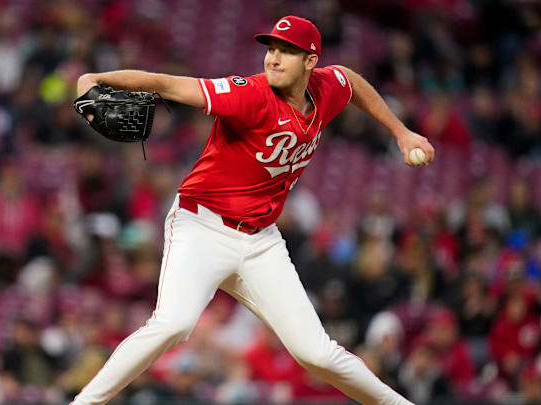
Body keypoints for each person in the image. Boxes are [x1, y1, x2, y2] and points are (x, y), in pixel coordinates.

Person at [72, 16, 435, 405]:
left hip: (261, 240)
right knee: (173, 324)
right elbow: (166, 83)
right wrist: (92, 78)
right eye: (272, 49)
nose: (274, 58)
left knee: (316, 353)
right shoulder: (248, 94)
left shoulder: (326, 88)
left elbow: (352, 81)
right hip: (202, 226)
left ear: (310, 61)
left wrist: (402, 131)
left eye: (287, 51)